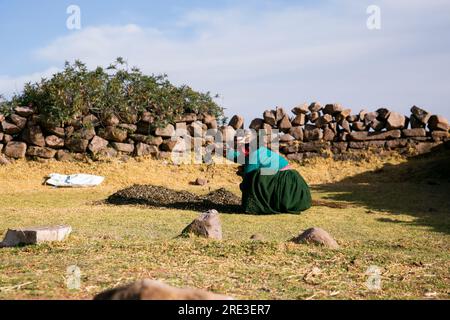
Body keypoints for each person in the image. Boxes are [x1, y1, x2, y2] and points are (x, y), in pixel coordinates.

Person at [223, 131, 312, 214]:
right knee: (257, 175)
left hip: (286, 184)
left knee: (254, 178)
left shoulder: (253, 155)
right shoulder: (256, 150)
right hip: (291, 179)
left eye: (240, 146)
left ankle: (257, 206)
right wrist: (224, 152)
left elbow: (248, 178)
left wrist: (243, 183)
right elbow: (239, 157)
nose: (238, 148)